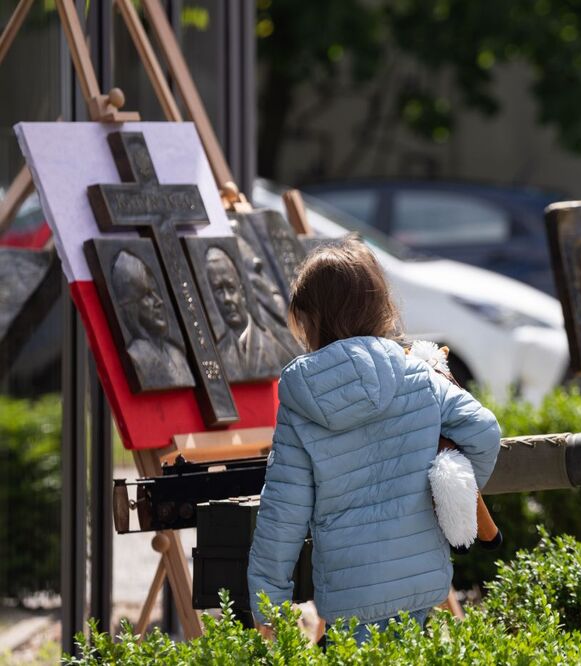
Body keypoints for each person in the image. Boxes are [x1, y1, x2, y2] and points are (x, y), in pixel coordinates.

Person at [247, 234, 501, 644]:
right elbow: (485, 430)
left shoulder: (301, 398)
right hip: (422, 582)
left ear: (308, 320)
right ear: (381, 306)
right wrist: (448, 483)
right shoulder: (418, 375)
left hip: (349, 595)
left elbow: (282, 514)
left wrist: (270, 606)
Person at [110, 250, 193, 389]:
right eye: (147, 295)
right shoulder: (136, 357)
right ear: (132, 307)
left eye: (155, 293)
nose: (159, 301)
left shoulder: (176, 354)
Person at [204, 246, 286, 381]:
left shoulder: (275, 348)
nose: (227, 299)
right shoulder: (219, 352)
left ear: (242, 292)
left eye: (231, 288)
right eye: (219, 291)